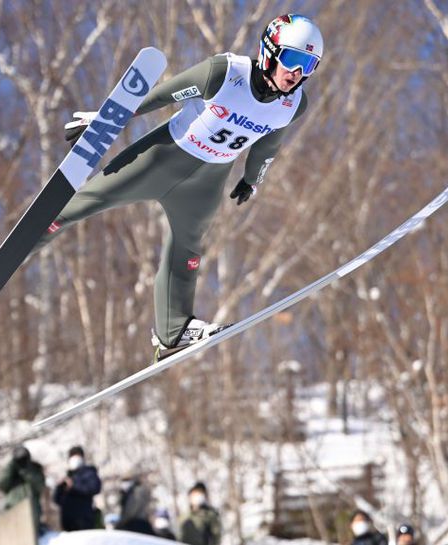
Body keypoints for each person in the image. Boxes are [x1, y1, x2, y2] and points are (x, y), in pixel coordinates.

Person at [47, 14, 323, 359]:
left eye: (308, 64)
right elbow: (160, 96)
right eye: (293, 59)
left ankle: (172, 331)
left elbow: (268, 146)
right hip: (163, 158)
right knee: (90, 200)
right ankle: (30, 238)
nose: (297, 73)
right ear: (269, 50)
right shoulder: (224, 73)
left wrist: (252, 180)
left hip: (207, 181)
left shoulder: (293, 105)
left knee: (187, 249)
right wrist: (103, 118)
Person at [52, 446, 102, 531]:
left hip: (84, 520)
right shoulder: (67, 475)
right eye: (72, 456)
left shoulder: (89, 473)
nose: (75, 459)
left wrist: (74, 485)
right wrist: (59, 488)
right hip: (68, 523)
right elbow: (57, 500)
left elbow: (95, 488)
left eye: (77, 456)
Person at [0, 446, 46, 528]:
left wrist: (26, 470)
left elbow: (40, 486)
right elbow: (0, 484)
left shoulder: (35, 469)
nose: (21, 461)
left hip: (33, 510)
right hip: (14, 509)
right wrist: (11, 466)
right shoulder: (10, 471)